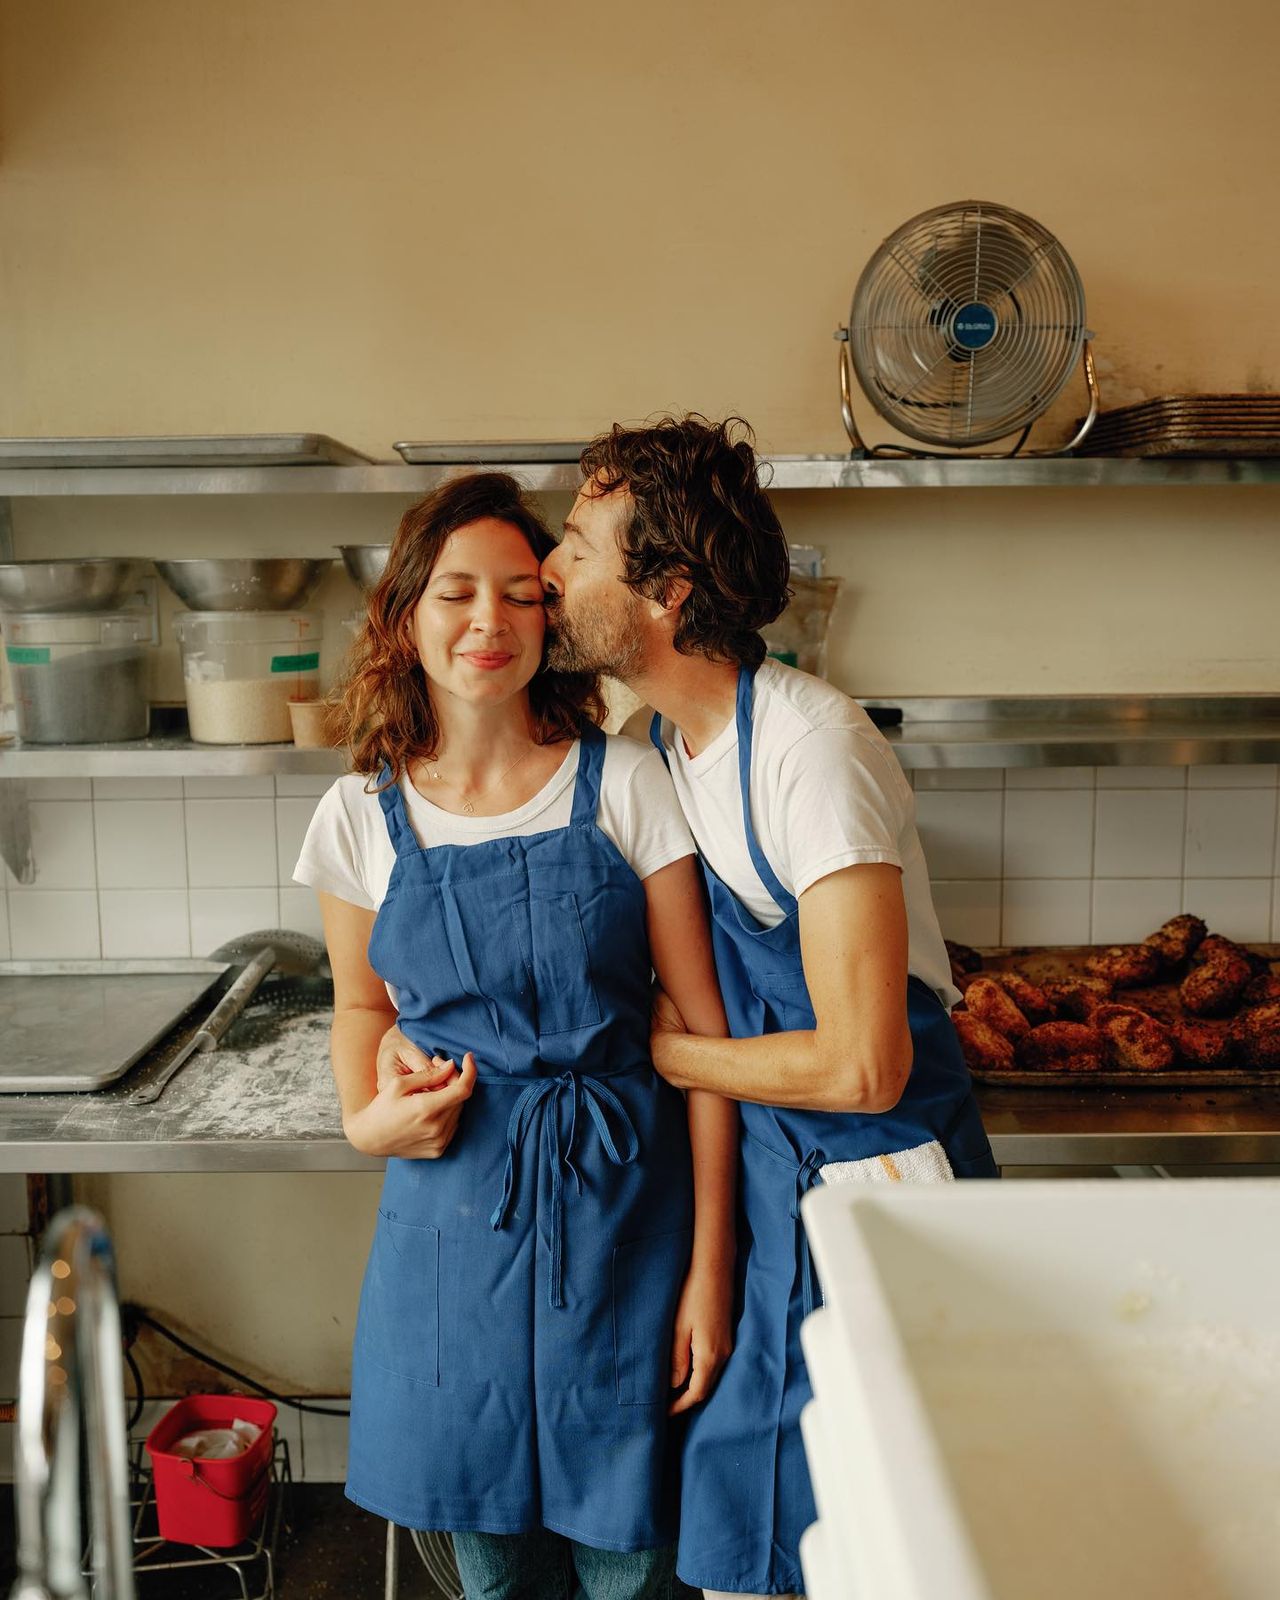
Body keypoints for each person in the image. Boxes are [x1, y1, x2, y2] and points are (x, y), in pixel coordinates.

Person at [537, 416, 1000, 1599]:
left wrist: (674, 1056)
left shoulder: (809, 749)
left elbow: (861, 1068)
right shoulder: (669, 744)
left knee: (874, 1526)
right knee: (755, 1519)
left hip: (878, 1187)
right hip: (775, 1179)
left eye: (577, 547)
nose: (549, 571)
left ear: (665, 589)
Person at [294, 472, 737, 1600]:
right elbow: (362, 1007)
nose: (487, 621)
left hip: (626, 1213)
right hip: (452, 1223)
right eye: (454, 593)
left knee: (623, 1545)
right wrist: (367, 1119)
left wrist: (708, 1270)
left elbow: (700, 1031)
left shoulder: (626, 783)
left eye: (517, 593)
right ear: (405, 616)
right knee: (484, 1558)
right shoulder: (359, 812)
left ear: (552, 617)